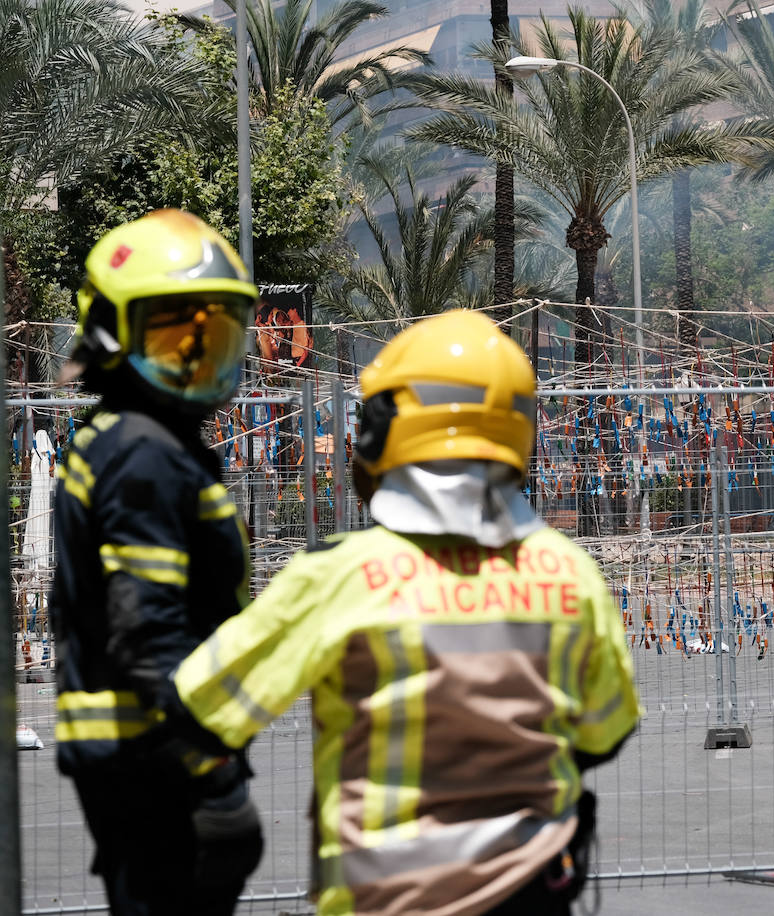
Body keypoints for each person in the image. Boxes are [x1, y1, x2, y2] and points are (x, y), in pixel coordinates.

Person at [168, 309, 642, 915]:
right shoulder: (568, 571)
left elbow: (201, 710)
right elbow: (606, 730)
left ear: (378, 431)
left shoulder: (338, 576)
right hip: (533, 900)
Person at [49, 208, 263, 914]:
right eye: (176, 339)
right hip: (152, 755)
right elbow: (148, 632)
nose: (199, 362)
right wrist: (207, 770)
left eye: (216, 339)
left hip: (133, 750)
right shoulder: (143, 453)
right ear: (113, 332)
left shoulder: (125, 438)